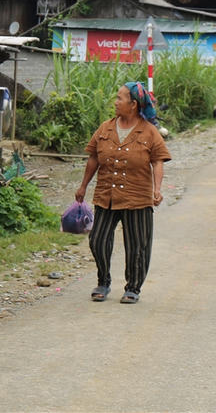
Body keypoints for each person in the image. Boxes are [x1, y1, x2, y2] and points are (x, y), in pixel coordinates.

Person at [75, 81, 171, 304]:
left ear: (134, 104)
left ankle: (133, 287)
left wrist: (157, 190)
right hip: (106, 194)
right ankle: (103, 280)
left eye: (120, 98)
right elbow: (93, 158)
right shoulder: (105, 128)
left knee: (137, 245)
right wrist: (83, 186)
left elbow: (158, 162)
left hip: (137, 196)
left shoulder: (149, 132)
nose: (116, 102)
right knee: (97, 240)